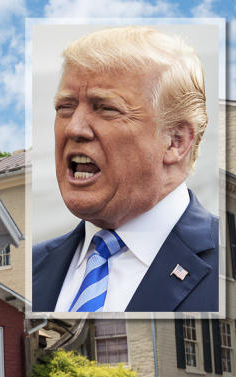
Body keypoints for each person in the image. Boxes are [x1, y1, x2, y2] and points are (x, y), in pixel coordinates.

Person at [32, 26, 217, 313]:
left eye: (106, 108)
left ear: (176, 142)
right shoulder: (34, 267)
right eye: (65, 107)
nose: (74, 128)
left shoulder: (227, 265)